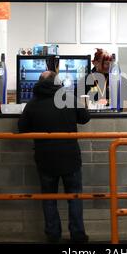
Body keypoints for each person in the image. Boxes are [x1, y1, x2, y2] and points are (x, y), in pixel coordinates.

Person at [18, 71, 91, 244]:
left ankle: (53, 235)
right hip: (70, 157)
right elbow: (85, 118)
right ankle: (78, 235)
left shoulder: (33, 103)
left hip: (45, 158)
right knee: (74, 197)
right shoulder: (68, 97)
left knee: (48, 198)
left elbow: (22, 128)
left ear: (39, 82)